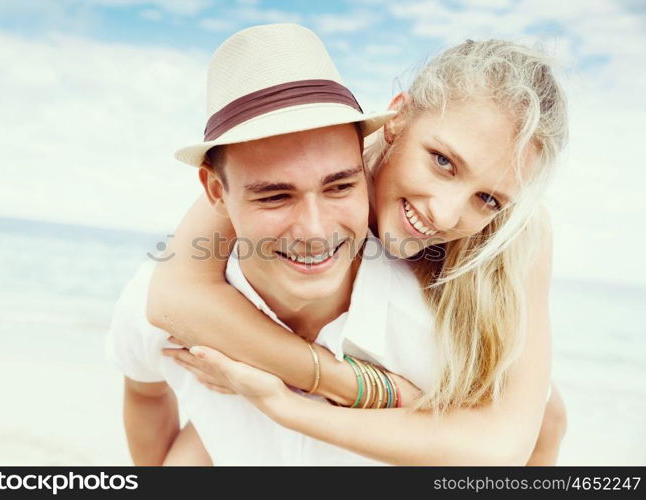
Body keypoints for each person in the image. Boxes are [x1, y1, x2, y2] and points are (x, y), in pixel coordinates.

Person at [148, 34, 570, 465]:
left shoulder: (517, 233)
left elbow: (501, 447)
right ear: (398, 118)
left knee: (548, 413)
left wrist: (292, 405)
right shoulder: (313, 155)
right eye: (442, 161)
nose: (444, 216)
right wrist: (351, 383)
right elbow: (173, 299)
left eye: (489, 199)